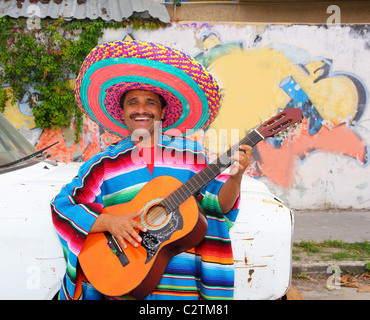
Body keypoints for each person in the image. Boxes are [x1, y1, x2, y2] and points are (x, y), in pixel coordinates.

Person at [51, 40, 252, 300]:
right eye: (133, 102)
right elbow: (63, 207)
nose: (142, 109)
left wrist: (236, 177)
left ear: (162, 112)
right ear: (122, 112)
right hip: (124, 281)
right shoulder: (102, 164)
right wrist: (109, 221)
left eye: (151, 103)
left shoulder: (190, 155)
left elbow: (218, 207)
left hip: (181, 288)